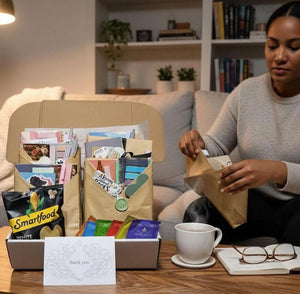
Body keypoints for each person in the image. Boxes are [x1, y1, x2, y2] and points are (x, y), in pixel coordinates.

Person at [179, 1, 300, 246]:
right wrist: (198, 144)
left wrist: (276, 170)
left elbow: (275, 171)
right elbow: (215, 144)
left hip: (298, 205)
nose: (279, 57)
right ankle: (204, 284)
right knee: (197, 215)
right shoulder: (247, 92)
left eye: (294, 47)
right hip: (251, 202)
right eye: (272, 45)